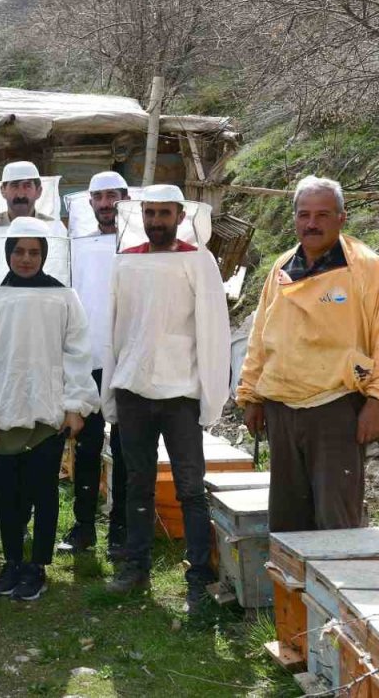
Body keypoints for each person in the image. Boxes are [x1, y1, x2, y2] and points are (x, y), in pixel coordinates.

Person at [238, 176, 379, 533]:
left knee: (336, 520)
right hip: (282, 408)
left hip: (336, 407)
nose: (312, 224)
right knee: (288, 523)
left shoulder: (369, 268)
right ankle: (290, 590)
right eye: (304, 215)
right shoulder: (282, 267)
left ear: (341, 218)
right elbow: (261, 335)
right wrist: (251, 394)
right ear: (295, 219)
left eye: (322, 214)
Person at [103, 185, 229, 617]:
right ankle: (135, 567)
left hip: (181, 395)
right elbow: (114, 329)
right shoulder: (126, 260)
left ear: (180, 214)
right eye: (151, 212)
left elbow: (213, 331)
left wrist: (212, 396)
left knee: (191, 489)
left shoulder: (199, 260)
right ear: (142, 215)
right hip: (133, 390)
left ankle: (199, 577)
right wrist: (112, 391)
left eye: (165, 212)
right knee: (136, 483)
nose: (157, 220)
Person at [0, 217, 99, 601]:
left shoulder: (63, 295)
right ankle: (12, 562)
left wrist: (76, 406)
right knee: (8, 494)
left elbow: (78, 353)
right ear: (6, 254)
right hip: (4, 410)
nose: (25, 259)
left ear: (45, 254)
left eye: (33, 252)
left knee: (44, 492)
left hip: (49, 412)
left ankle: (36, 565)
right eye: (18, 251)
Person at [61, 172, 130, 558]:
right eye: (99, 197)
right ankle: (83, 526)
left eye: (112, 196)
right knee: (86, 448)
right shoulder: (78, 247)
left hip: (127, 362)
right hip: (88, 363)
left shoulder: (139, 246)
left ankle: (121, 527)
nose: (105, 204)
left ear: (125, 198)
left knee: (124, 450)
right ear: (90, 203)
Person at [0, 161, 66, 236]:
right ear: (3, 191)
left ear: (39, 191)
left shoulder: (53, 227)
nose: (20, 195)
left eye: (27, 186)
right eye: (14, 186)